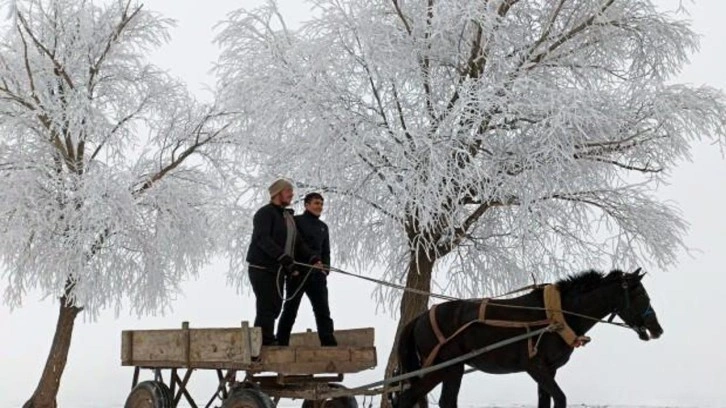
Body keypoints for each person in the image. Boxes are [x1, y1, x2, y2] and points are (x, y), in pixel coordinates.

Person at [246, 179, 321, 346]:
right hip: (262, 268)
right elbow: (262, 239)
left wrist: (313, 258)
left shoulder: (287, 217)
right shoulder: (264, 213)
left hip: (278, 269)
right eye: (288, 191)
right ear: (278, 193)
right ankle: (264, 342)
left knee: (275, 305)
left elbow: (299, 243)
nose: (292, 194)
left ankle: (264, 340)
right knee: (267, 305)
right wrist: (282, 257)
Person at [276, 192, 338, 347]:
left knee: (323, 310)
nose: (320, 207)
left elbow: (326, 251)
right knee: (290, 309)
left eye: (321, 204)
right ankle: (281, 341)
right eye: (316, 203)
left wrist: (326, 269)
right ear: (307, 205)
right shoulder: (296, 222)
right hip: (298, 273)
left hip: (317, 275)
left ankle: (328, 342)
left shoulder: (323, 227)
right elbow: (296, 244)